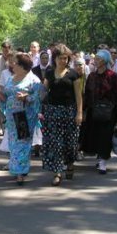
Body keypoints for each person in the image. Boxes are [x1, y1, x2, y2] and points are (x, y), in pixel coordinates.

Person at [0, 53, 41, 185]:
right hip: (11, 116)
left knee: (22, 144)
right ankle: (18, 168)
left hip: (24, 117)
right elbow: (7, 95)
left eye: (14, 63)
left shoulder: (33, 80)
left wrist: (26, 98)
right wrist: (0, 92)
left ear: (22, 66)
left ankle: (20, 172)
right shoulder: (11, 78)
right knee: (13, 143)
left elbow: (39, 98)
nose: (12, 64)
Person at [42, 44, 83, 186]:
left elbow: (78, 96)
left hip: (69, 112)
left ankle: (70, 163)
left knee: (70, 142)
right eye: (60, 58)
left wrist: (79, 113)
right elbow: (43, 91)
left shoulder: (74, 74)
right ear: (55, 59)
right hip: (52, 112)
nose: (63, 61)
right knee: (56, 143)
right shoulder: (49, 73)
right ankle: (57, 172)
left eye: (66, 58)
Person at [82, 50, 117, 174]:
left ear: (104, 61)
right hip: (93, 111)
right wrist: (83, 110)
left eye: (98, 58)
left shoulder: (112, 75)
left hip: (108, 112)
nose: (95, 60)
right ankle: (99, 157)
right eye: (95, 58)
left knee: (105, 136)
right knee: (95, 135)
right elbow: (87, 94)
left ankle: (103, 161)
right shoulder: (91, 76)